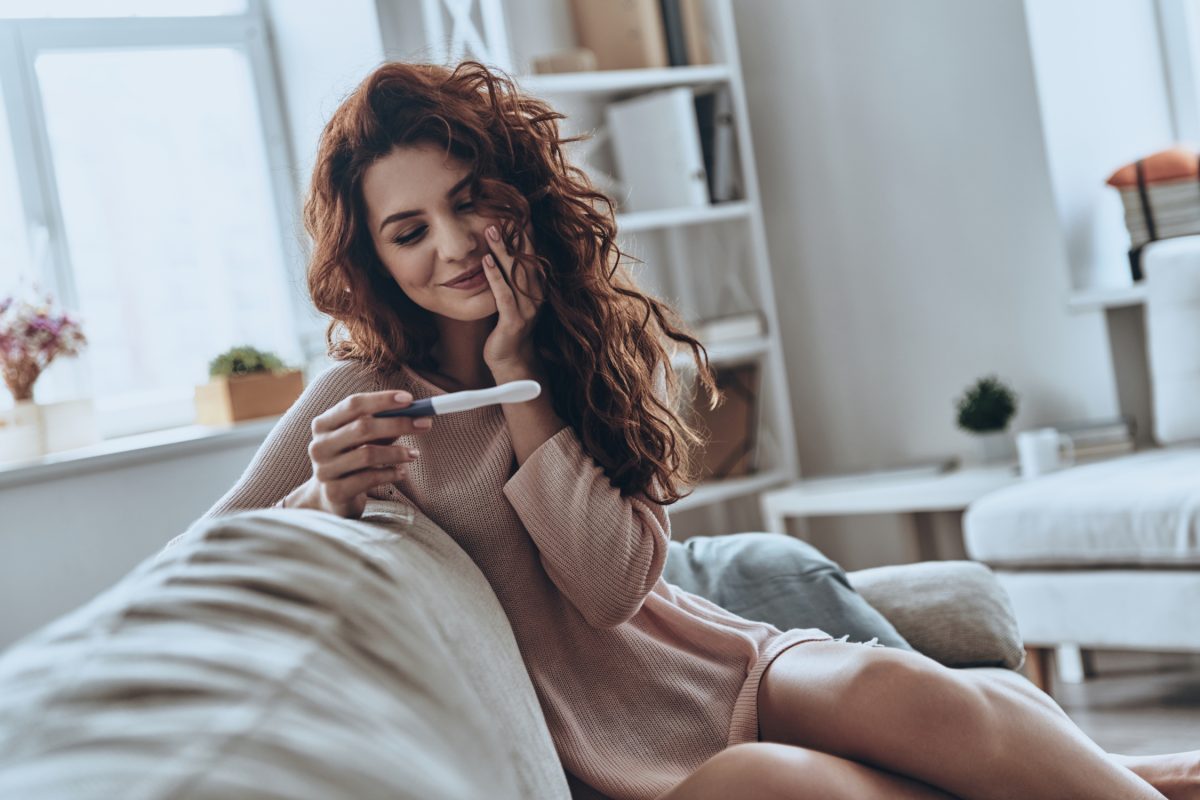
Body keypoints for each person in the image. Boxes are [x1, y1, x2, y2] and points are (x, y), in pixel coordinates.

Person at [203, 60, 1197, 800]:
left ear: (515, 194)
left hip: (705, 655)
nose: (454, 245)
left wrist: (520, 376)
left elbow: (616, 580)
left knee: (912, 688)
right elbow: (206, 565)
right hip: (597, 750)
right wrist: (322, 498)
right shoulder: (360, 387)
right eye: (410, 229)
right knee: (779, 783)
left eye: (469, 203)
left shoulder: (586, 340)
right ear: (373, 254)